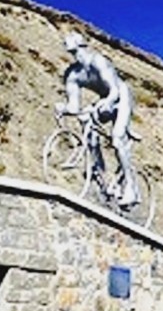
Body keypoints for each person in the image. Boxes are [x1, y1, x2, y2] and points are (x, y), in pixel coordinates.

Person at [56, 32, 140, 208]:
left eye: (70, 37)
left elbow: (115, 90)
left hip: (120, 97)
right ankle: (99, 169)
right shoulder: (72, 74)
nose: (65, 40)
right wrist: (63, 108)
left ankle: (132, 187)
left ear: (80, 42)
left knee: (117, 139)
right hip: (105, 100)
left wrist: (108, 101)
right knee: (85, 118)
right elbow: (74, 107)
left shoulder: (98, 61)